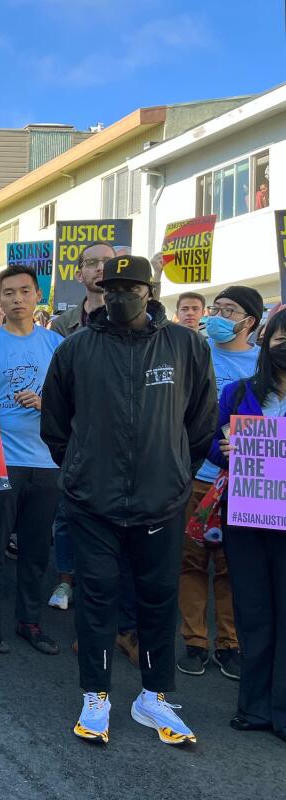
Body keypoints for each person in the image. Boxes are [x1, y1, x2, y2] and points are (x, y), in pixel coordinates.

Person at [42, 255, 216, 746]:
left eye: (130, 288)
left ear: (150, 291)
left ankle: (154, 696)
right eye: (111, 288)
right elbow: (56, 424)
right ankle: (95, 695)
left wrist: (176, 471)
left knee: (159, 599)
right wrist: (79, 467)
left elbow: (201, 422)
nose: (119, 296)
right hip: (92, 501)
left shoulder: (185, 345)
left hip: (161, 501)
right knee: (97, 597)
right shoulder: (76, 348)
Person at [0, 264, 63, 656]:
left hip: (47, 461)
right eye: (9, 293)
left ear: (37, 296)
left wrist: (46, 403)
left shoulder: (57, 344)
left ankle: (30, 620)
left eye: (24, 292)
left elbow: (74, 401)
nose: (17, 299)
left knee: (37, 549)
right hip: (1, 459)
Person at [208, 309, 286, 743]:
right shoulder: (239, 393)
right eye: (279, 338)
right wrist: (224, 448)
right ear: (264, 341)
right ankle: (254, 707)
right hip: (250, 517)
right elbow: (211, 446)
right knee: (253, 613)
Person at [177, 286, 262, 679]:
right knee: (192, 560)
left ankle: (230, 644)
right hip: (196, 475)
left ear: (250, 321)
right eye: (218, 308)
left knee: (233, 566)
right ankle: (194, 641)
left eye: (230, 311)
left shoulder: (264, 365)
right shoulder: (195, 352)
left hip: (247, 482)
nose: (218, 316)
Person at [50, 242, 112, 338]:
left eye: (108, 262)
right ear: (79, 275)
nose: (101, 268)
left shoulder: (132, 320)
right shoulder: (62, 325)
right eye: (92, 262)